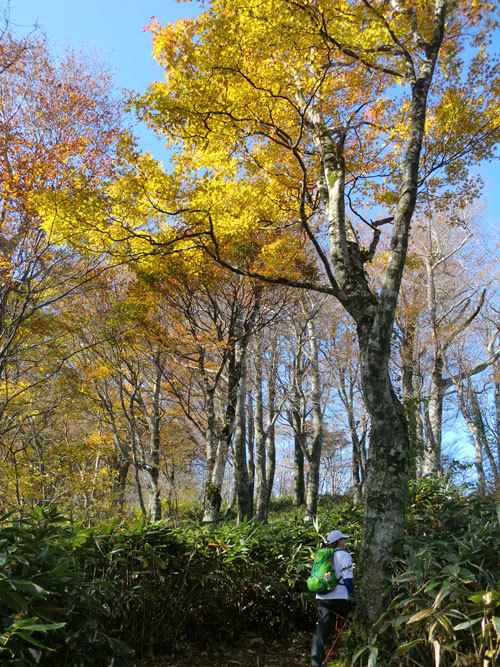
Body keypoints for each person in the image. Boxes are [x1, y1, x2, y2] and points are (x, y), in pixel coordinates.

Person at [311, 530, 354, 667]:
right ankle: (351, 653)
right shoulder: (344, 555)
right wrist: (352, 595)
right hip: (340, 597)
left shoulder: (322, 555)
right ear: (339, 541)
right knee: (355, 618)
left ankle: (316, 662)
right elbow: (348, 579)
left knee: (322, 628)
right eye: (343, 539)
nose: (345, 542)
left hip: (322, 597)